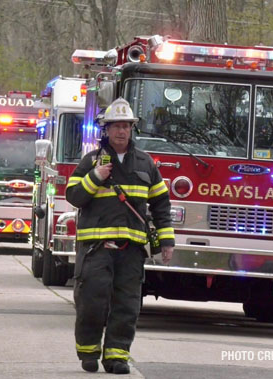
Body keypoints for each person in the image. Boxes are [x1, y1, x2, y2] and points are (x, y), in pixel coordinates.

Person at [66, 98, 175, 374]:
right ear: (107, 130)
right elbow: (73, 197)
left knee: (127, 306)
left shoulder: (146, 163)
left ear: (131, 129)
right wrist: (95, 177)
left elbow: (161, 205)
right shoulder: (91, 161)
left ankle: (117, 356)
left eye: (126, 126)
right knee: (92, 302)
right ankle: (88, 352)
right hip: (96, 249)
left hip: (131, 250)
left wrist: (167, 242)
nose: (121, 131)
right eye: (116, 126)